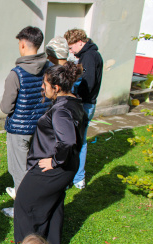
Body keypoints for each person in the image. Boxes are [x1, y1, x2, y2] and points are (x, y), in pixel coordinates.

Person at [10, 62, 87, 244]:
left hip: (53, 168)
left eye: (45, 83)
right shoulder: (74, 102)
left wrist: (53, 161)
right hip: (68, 167)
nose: (42, 87)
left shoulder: (61, 110)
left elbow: (68, 140)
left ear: (57, 87)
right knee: (54, 204)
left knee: (24, 204)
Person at [0, 26, 52, 218]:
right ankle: (38, 203)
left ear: (23, 45)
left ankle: (23, 211)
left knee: (19, 171)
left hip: (20, 131)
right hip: (41, 129)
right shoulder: (49, 69)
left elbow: (6, 107)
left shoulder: (17, 74)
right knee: (36, 169)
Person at [64, 29, 103, 189]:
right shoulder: (87, 55)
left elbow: (88, 84)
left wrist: (74, 97)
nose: (71, 52)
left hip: (84, 105)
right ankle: (76, 176)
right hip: (85, 103)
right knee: (78, 140)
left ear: (80, 42)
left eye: (71, 48)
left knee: (77, 141)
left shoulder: (89, 57)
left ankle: (77, 177)